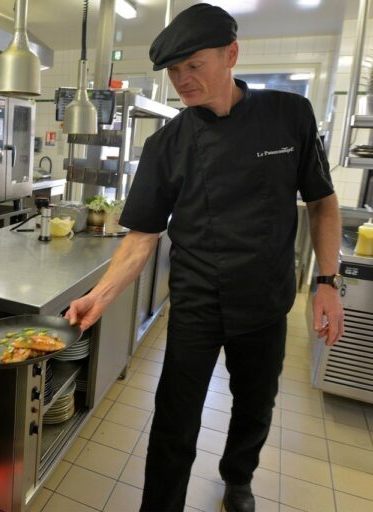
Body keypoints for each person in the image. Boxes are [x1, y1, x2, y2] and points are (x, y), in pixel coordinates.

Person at [64, 4, 344, 512]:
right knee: (174, 419)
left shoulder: (290, 115)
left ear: (231, 54)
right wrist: (98, 297)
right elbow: (141, 238)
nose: (182, 80)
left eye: (194, 65)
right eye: (174, 70)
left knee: (255, 406)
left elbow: (323, 203)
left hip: (266, 300)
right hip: (197, 303)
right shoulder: (166, 144)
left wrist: (327, 282)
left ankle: (238, 479)